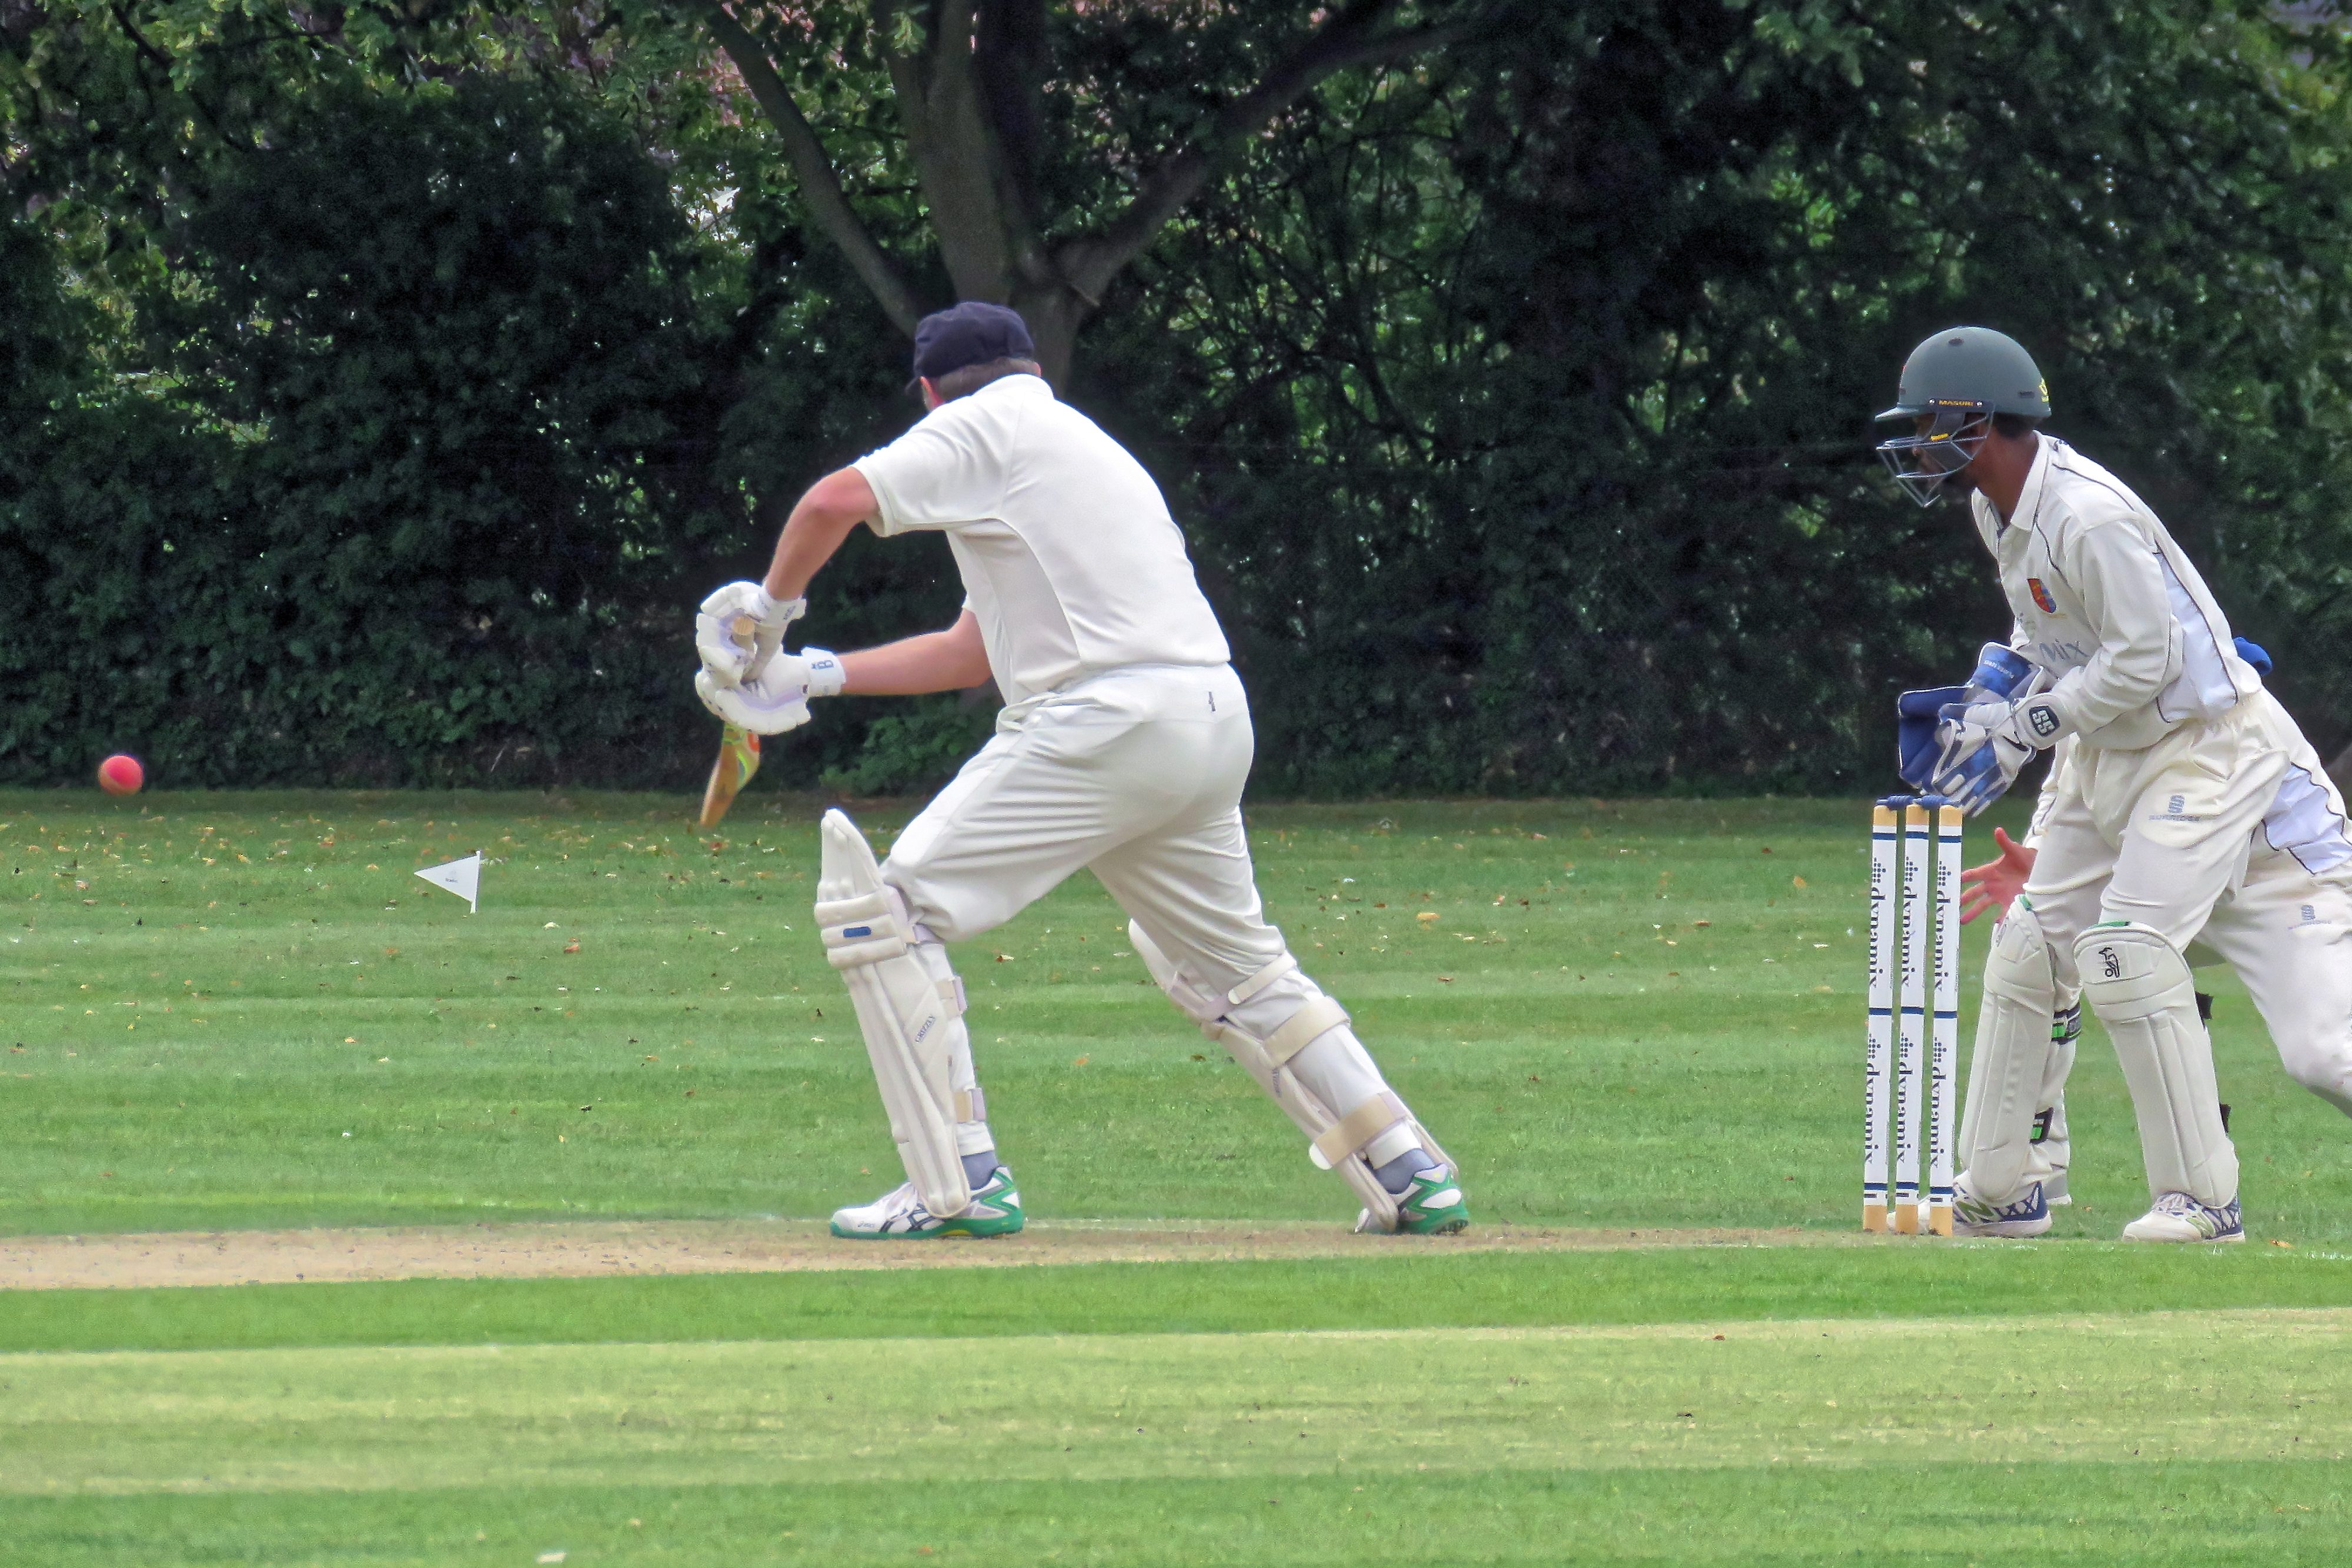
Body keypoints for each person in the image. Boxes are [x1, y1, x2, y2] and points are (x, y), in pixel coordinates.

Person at [690, 301, 1466, 1240]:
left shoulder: (976, 429)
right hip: (1206, 717)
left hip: (1106, 721)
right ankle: (1410, 1170)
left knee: (883, 914)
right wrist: (813, 676)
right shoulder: (1078, 448)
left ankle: (959, 1185)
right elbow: (973, 652)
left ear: (931, 394)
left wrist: (765, 619)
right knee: (1241, 970)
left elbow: (831, 504)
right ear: (1029, 364)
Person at [1877, 325, 2352, 1242]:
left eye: (1933, 422)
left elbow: (2147, 658)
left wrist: (2032, 725)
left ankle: (2204, 1203)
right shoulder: (1997, 508)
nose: (1919, 440)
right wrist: (1998, 705)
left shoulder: (2085, 514)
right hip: (2114, 752)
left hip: (2207, 746)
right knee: (2032, 946)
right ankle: (2003, 1187)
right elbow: (2050, 635)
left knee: (2162, 969)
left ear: (1982, 423)